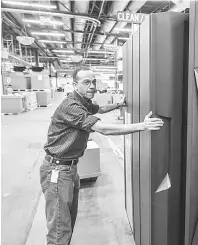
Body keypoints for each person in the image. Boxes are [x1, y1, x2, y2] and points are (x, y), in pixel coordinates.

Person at [40, 66, 164, 245]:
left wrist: (119, 105)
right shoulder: (71, 106)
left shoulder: (83, 102)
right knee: (60, 230)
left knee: (67, 223)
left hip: (69, 169)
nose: (92, 86)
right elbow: (102, 128)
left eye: (94, 82)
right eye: (86, 82)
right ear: (75, 85)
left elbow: (100, 108)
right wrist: (141, 126)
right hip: (57, 171)